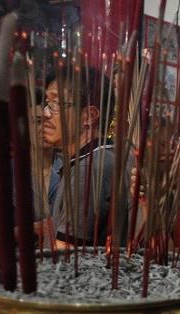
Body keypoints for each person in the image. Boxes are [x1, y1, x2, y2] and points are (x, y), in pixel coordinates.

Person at [41, 68, 118, 246]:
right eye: (47, 103)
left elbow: (65, 262)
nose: (45, 113)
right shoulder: (96, 158)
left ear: (89, 116)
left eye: (56, 104)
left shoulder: (89, 168)